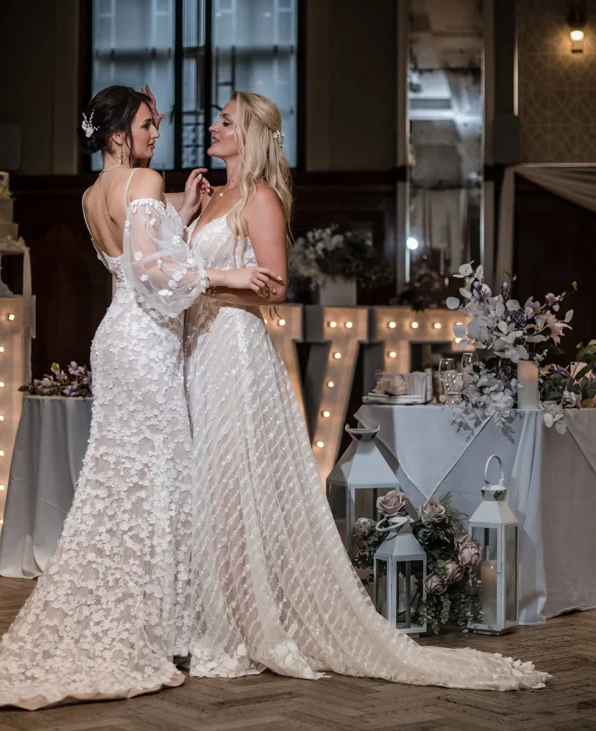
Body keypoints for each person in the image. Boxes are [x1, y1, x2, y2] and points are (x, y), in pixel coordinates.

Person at [0, 86, 281, 711]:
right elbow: (153, 272)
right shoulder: (145, 181)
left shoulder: (94, 194)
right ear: (120, 134)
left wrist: (182, 210)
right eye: (149, 125)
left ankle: (132, 613)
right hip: (146, 342)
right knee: (160, 479)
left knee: (121, 480)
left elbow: (132, 255)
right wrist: (222, 273)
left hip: (115, 338)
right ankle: (160, 625)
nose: (157, 135)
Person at [178, 91, 550, 690]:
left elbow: (272, 287)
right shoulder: (208, 197)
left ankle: (243, 618)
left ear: (248, 134)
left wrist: (207, 290)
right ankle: (203, 610)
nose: (214, 127)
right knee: (205, 480)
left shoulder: (261, 199)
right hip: (198, 350)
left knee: (232, 477)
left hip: (233, 351)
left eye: (225, 120)